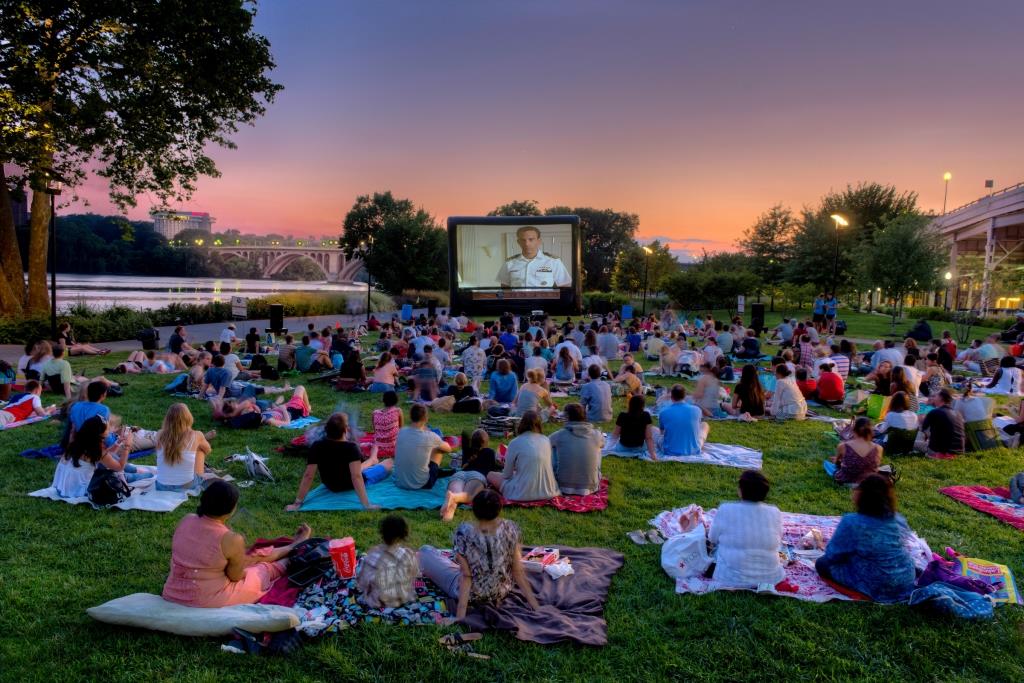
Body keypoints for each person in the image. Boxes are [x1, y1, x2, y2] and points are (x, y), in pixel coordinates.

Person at [163, 480, 312, 607]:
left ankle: (292, 547)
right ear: (232, 509)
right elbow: (235, 576)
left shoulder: (186, 519)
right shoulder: (230, 539)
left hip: (173, 591)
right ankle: (289, 559)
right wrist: (249, 563)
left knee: (253, 559)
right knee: (261, 570)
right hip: (204, 599)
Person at [419, 490, 541, 620]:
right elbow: (517, 571)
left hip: (470, 593)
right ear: (499, 508)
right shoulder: (510, 529)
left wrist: (460, 615)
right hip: (501, 590)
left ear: (474, 509)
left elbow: (467, 576)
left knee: (425, 551)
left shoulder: (464, 533)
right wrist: (535, 606)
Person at [815, 474, 916, 603]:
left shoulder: (852, 522)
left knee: (821, 563)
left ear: (861, 496)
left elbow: (833, 556)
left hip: (879, 584)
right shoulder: (898, 519)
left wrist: (822, 544)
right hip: (906, 579)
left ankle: (864, 592)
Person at [287, 412, 391, 511]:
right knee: (389, 462)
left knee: (360, 467)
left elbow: (308, 475)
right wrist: (367, 505)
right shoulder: (351, 448)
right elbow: (356, 476)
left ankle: (372, 460)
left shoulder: (317, 446)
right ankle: (373, 460)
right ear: (345, 430)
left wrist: (297, 503)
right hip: (349, 484)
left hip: (331, 485)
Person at [708, 470, 785, 589]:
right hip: (771, 578)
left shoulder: (725, 509)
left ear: (741, 490)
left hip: (729, 578)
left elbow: (712, 538)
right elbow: (779, 539)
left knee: (710, 548)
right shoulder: (775, 512)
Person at [487, 411, 560, 501]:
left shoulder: (515, 442)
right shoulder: (546, 440)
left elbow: (506, 475)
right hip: (549, 491)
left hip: (521, 493)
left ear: (521, 424)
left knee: (490, 475)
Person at [356, 515, 419, 609]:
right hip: (403, 598)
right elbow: (415, 574)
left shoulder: (371, 555)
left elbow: (362, 582)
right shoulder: (408, 554)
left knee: (360, 567)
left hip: (378, 601)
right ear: (404, 535)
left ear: (382, 534)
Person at [440, 429, 501, 522]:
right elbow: (492, 471)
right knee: (469, 496)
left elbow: (465, 435)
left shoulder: (467, 450)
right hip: (477, 476)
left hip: (460, 474)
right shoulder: (490, 452)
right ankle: (454, 498)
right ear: (486, 442)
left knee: (455, 493)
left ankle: (448, 513)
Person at [155, 403, 213, 492]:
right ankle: (200, 475)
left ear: (167, 419)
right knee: (200, 450)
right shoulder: (197, 435)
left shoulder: (159, 434)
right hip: (186, 486)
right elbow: (208, 450)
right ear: (188, 417)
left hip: (161, 486)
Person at [394, 404, 452, 490]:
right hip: (421, 484)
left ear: (410, 417)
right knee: (438, 450)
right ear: (426, 418)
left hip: (400, 482)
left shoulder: (401, 431)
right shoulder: (431, 436)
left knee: (423, 448)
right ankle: (433, 472)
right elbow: (448, 449)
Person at [549, 403, 603, 496]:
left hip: (562, 485)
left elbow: (545, 443)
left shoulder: (559, 435)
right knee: (598, 448)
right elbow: (603, 444)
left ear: (567, 417)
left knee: (552, 448)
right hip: (591, 487)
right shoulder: (597, 435)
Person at [495, 225, 571, 288]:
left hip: (544, 305)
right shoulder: (509, 263)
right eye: (523, 240)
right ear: (518, 242)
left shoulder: (553, 262)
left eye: (531, 239)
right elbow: (505, 288)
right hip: (518, 305)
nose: (527, 244)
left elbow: (564, 286)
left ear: (539, 241)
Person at [825, 417, 881, 484]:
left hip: (846, 479)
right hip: (868, 482)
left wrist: (839, 460)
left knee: (826, 464)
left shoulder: (843, 446)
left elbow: (837, 463)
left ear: (854, 430)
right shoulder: (879, 448)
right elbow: (875, 467)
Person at [659, 384, 709, 456]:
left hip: (669, 450)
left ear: (671, 397)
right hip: (694, 450)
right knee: (705, 425)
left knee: (653, 430)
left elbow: (662, 433)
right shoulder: (697, 410)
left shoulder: (664, 411)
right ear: (685, 396)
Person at [917, 388, 966, 457]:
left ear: (940, 398)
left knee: (914, 443)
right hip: (959, 453)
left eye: (936, 396)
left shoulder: (934, 412)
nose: (933, 398)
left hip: (940, 453)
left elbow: (923, 430)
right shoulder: (958, 414)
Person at [610, 395, 658, 459]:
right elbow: (648, 438)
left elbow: (615, 434)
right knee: (654, 430)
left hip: (622, 448)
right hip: (639, 448)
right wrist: (653, 454)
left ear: (630, 404)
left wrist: (609, 447)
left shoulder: (622, 415)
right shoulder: (646, 415)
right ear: (643, 406)